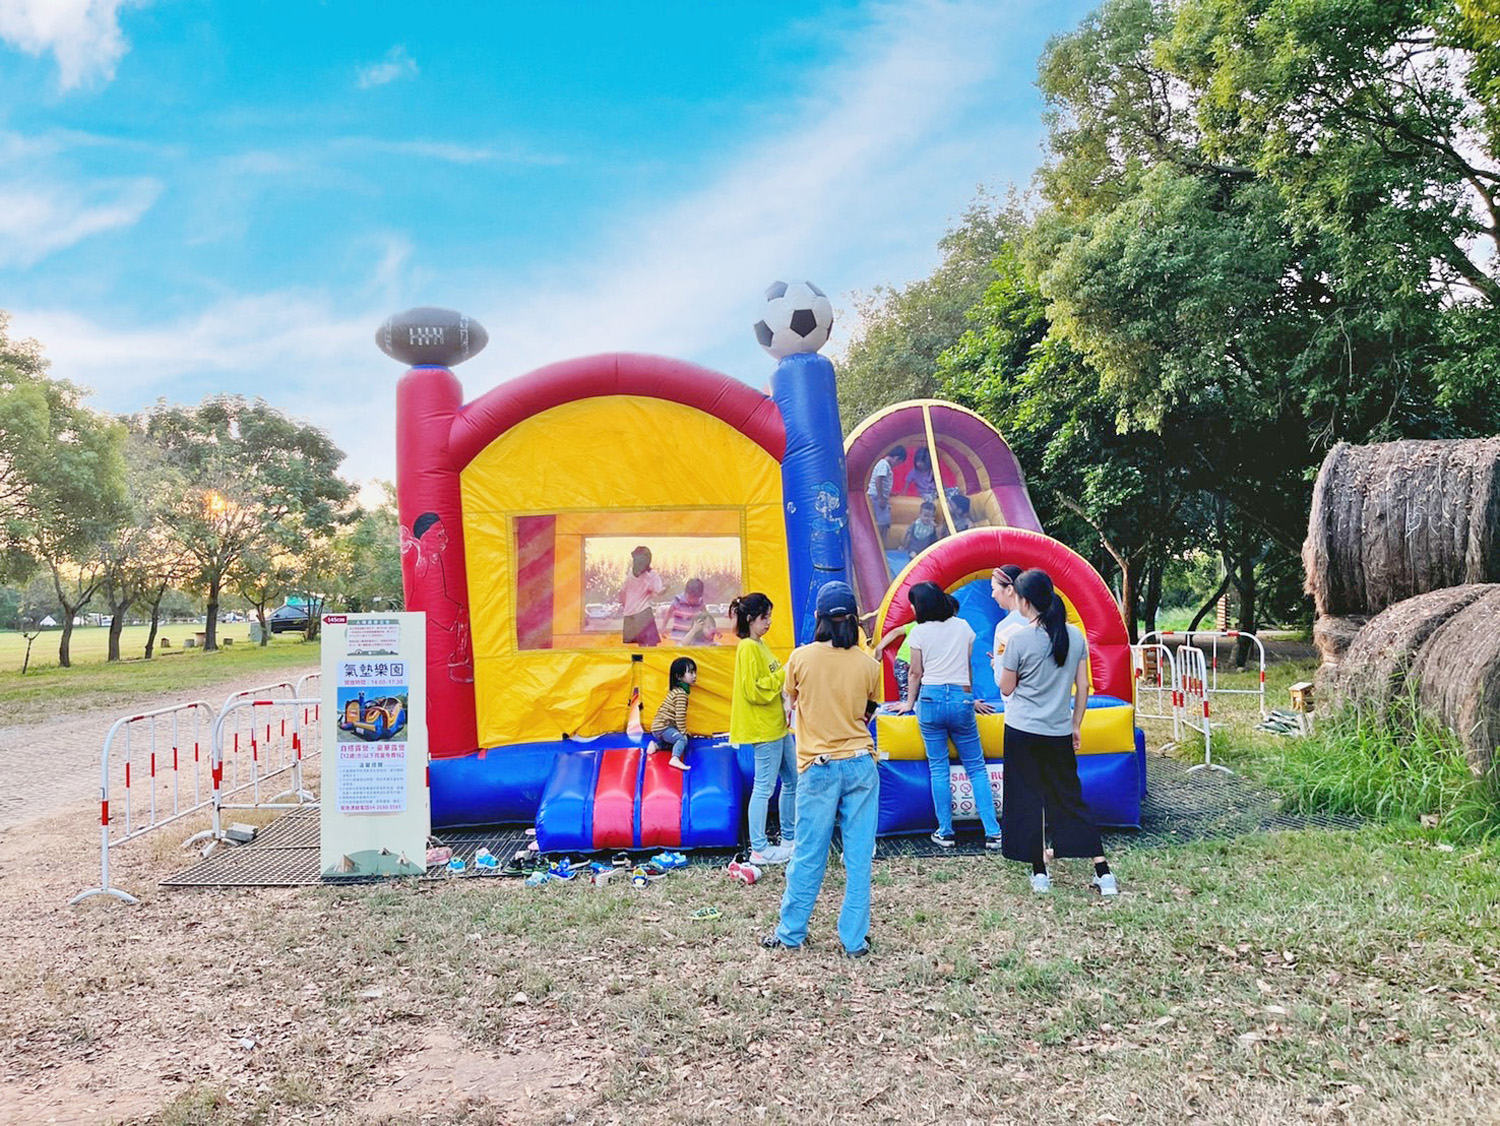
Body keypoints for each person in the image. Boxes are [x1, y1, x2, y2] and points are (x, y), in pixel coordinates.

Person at [763, 581, 881, 958]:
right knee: (859, 856)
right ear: (855, 621)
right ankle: (853, 941)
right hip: (862, 765)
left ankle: (790, 933)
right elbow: (868, 711)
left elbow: (791, 702)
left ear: (818, 618)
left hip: (817, 767)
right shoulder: (869, 664)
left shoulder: (799, 658)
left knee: (809, 854)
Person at [996, 569, 1118, 896]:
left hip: (1022, 730)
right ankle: (1103, 872)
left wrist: (1000, 664)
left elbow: (1006, 688)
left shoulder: (1018, 639)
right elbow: (1083, 686)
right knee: (1069, 797)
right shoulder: (1074, 636)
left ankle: (1040, 873)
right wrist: (1075, 724)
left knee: (1028, 800)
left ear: (1023, 602)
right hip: (1058, 730)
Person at [890, 582, 1002, 850]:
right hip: (961, 699)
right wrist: (970, 697)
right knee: (976, 767)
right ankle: (993, 832)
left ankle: (946, 831)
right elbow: (966, 667)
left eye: (914, 603)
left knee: (938, 768)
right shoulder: (962, 626)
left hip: (930, 699)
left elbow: (915, 672)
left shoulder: (919, 632)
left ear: (922, 606)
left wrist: (908, 702)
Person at [729, 592, 797, 865]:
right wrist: (784, 674)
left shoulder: (760, 644)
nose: (769, 622)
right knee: (764, 787)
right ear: (750, 619)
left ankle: (789, 838)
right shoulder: (747, 648)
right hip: (763, 729)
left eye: (769, 616)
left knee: (793, 780)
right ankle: (759, 848)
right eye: (764, 617)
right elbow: (753, 690)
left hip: (778, 727)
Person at [650, 656, 697, 771]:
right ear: (679, 676)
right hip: (663, 727)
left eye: (695, 672)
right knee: (682, 740)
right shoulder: (681, 694)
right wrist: (683, 732)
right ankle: (675, 759)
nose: (695, 676)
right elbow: (680, 716)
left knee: (679, 741)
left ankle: (656, 746)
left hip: (659, 727)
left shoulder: (676, 691)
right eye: (691, 673)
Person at [620, 545, 664, 646]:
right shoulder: (651, 575)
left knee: (641, 646)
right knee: (650, 645)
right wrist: (665, 590)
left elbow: (622, 592)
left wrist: (626, 606)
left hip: (631, 614)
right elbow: (658, 592)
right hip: (642, 613)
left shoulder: (631, 574)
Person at [867, 444, 907, 548]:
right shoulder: (884, 464)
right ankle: (879, 546)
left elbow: (883, 482)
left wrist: (889, 493)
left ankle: (882, 546)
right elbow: (878, 480)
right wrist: (881, 498)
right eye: (898, 463)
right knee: (882, 523)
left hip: (880, 496)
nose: (896, 466)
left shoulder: (884, 465)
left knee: (884, 523)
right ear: (897, 458)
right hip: (877, 497)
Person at [665, 578, 719, 645]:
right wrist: (663, 627)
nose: (693, 600)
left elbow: (706, 616)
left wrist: (713, 628)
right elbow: (669, 612)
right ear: (686, 593)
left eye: (696, 598)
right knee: (682, 648)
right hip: (679, 634)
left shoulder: (700, 602)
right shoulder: (678, 599)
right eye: (691, 597)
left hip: (693, 634)